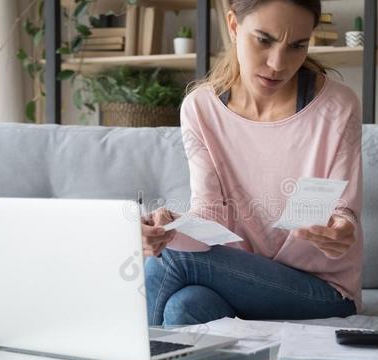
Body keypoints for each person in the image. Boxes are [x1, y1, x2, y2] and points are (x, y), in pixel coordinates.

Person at [142, 0, 363, 326]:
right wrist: (168, 230)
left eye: (297, 46)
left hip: (322, 290)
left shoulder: (338, 107)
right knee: (185, 306)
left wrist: (342, 230)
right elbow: (210, 216)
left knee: (171, 260)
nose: (278, 63)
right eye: (264, 39)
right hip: (240, 278)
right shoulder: (200, 109)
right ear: (233, 26)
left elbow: (343, 211)